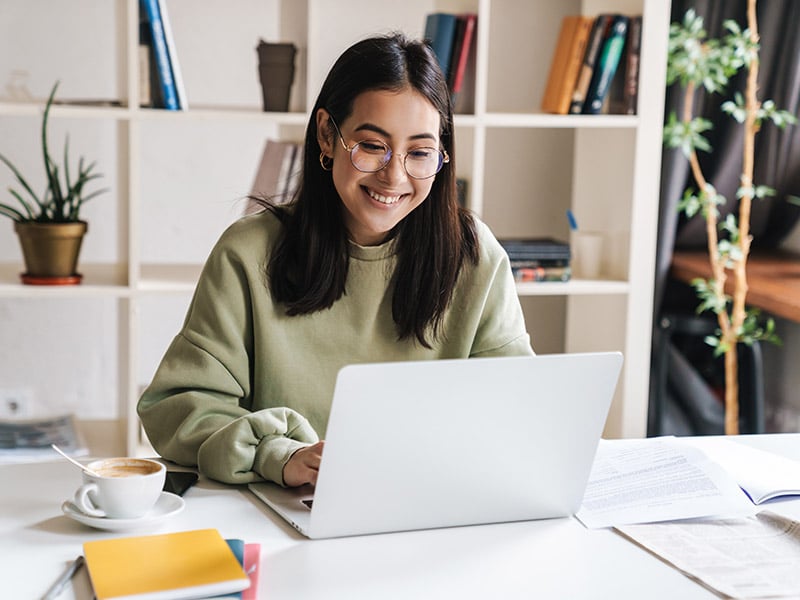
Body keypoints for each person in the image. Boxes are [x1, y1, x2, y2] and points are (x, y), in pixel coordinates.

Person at [138, 32, 534, 488]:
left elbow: (515, 407)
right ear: (328, 134)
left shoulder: (475, 257)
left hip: (431, 505)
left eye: (420, 153)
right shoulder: (248, 254)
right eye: (371, 145)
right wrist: (277, 454)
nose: (394, 175)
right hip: (285, 508)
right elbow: (178, 405)